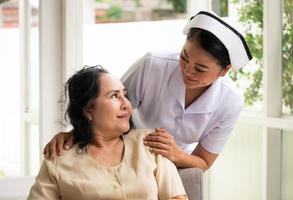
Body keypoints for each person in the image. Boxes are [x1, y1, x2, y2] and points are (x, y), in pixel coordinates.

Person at [43, 11, 252, 171]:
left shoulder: (230, 103)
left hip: (172, 164)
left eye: (200, 69)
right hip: (123, 150)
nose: (187, 71)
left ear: (224, 71)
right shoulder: (154, 64)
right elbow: (110, 108)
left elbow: (204, 161)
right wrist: (74, 135)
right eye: (184, 57)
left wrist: (175, 154)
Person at [28, 66, 187, 200]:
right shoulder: (59, 159)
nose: (126, 104)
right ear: (88, 110)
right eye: (114, 96)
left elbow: (176, 197)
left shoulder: (150, 143)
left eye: (125, 95)